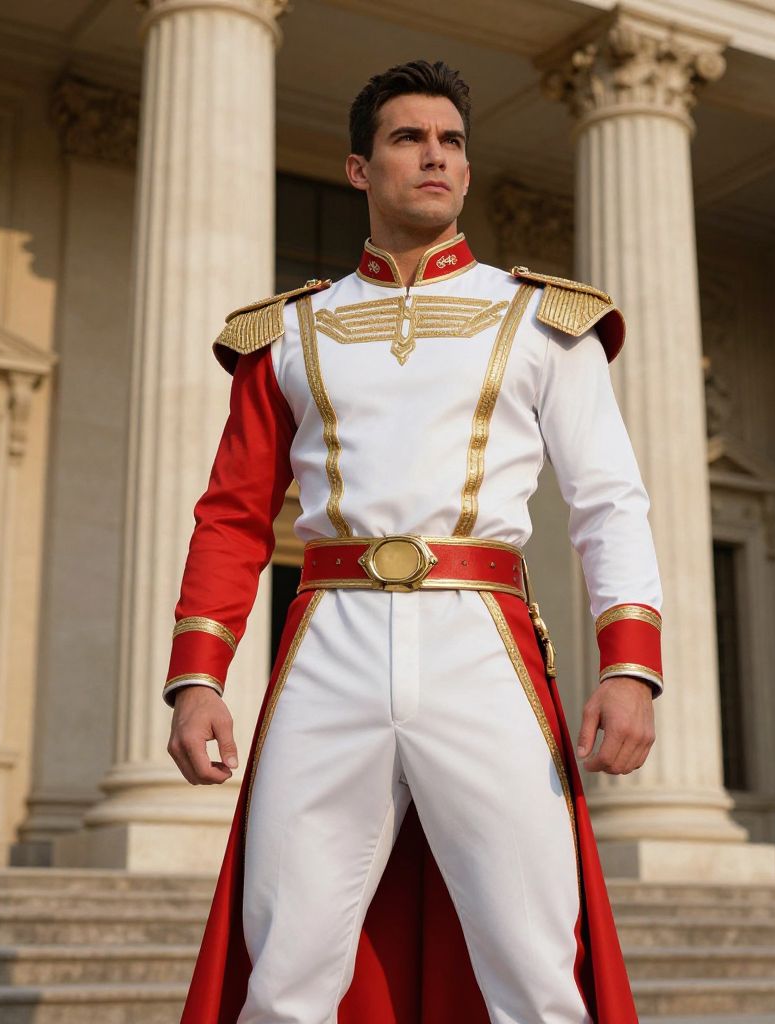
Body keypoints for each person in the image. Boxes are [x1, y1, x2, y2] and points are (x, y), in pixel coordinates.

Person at [164, 59, 662, 1024]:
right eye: (407, 139)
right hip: (325, 649)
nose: (434, 157)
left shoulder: (547, 324)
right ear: (359, 169)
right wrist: (197, 679)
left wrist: (630, 664)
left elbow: (610, 501)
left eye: (452, 142)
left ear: (468, 170)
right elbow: (229, 514)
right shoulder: (288, 334)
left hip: (485, 648)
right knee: (287, 967)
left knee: (533, 966)